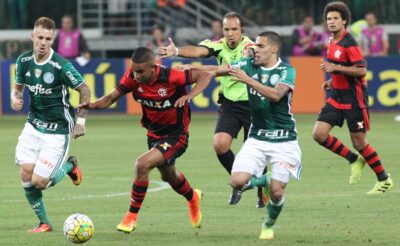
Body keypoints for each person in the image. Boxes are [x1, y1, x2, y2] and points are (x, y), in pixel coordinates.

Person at [78, 47, 212, 233]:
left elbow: (205, 76)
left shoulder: (171, 76)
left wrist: (189, 96)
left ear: (153, 67)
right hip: (154, 135)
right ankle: (192, 197)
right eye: (134, 70)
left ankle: (131, 217)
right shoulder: (133, 77)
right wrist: (92, 105)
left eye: (140, 71)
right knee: (169, 176)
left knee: (142, 165)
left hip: (176, 136)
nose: (136, 75)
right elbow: (110, 97)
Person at [157, 12, 267, 208]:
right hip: (230, 104)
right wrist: (177, 51)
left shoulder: (250, 47)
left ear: (242, 31)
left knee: (255, 153)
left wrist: (198, 69)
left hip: (253, 104)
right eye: (226, 29)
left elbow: (233, 68)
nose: (230, 33)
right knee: (219, 144)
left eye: (234, 29)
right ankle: (239, 182)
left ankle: (262, 189)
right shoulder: (219, 45)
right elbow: (199, 50)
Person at [211, 31, 302, 240]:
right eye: (255, 45)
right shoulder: (248, 65)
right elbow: (219, 70)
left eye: (260, 46)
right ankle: (266, 179)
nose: (255, 49)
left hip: (284, 139)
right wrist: (190, 71)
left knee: (277, 193)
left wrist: (247, 80)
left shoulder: (286, 70)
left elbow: (276, 95)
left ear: (274, 49)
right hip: (258, 138)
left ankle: (268, 224)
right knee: (237, 181)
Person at [11, 16, 91, 232]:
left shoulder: (61, 65)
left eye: (48, 38)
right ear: (32, 36)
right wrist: (15, 98)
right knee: (26, 174)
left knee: (40, 182)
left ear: (53, 40)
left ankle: (69, 166)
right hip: (33, 126)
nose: (43, 42)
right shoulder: (23, 61)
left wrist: (80, 121)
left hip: (57, 131)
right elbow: (17, 88)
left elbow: (85, 90)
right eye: (40, 37)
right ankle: (44, 223)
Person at [312, 2, 393, 194]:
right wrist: (332, 80)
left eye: (335, 19)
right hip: (336, 96)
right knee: (319, 134)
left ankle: (384, 179)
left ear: (344, 21)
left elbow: (361, 70)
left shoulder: (350, 43)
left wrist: (335, 69)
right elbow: (340, 66)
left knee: (359, 143)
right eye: (329, 19)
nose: (331, 22)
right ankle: (354, 159)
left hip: (354, 99)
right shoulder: (332, 42)